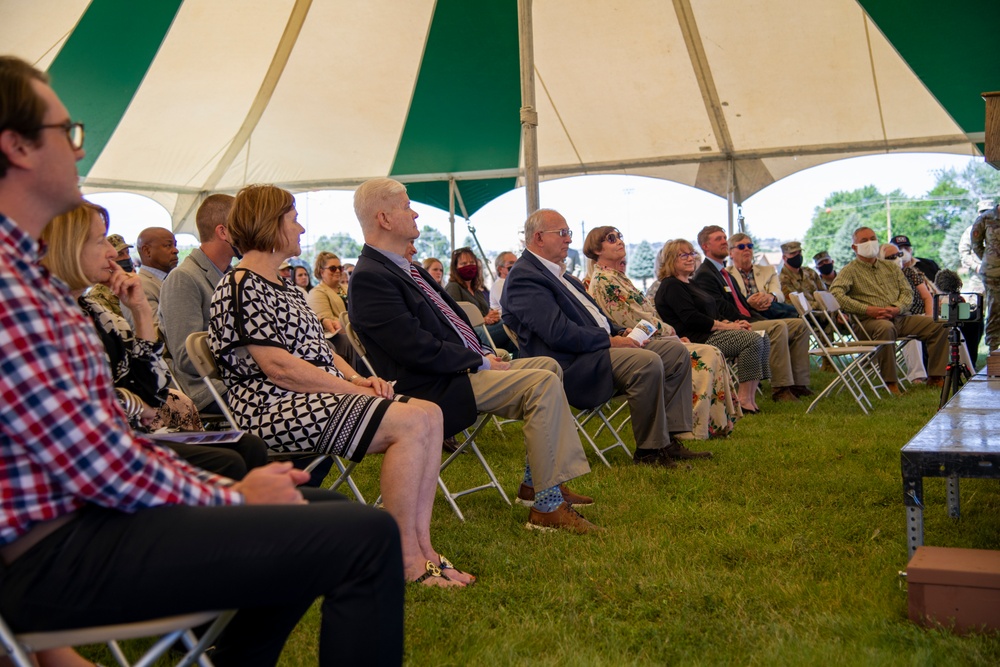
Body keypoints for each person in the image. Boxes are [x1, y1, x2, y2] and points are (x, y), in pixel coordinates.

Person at [0, 54, 403, 665]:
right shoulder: (13, 292)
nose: (79, 152)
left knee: (323, 508)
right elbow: (101, 466)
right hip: (52, 553)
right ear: (18, 147)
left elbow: (97, 448)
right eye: (68, 133)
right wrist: (236, 497)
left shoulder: (24, 278)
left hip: (71, 526)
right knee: (366, 534)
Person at [209, 183, 469, 587]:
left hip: (309, 396)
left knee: (430, 413)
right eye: (293, 219)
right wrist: (349, 390)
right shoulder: (240, 285)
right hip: (272, 408)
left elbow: (318, 349)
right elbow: (279, 368)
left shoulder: (284, 286)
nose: (300, 230)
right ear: (268, 223)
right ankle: (404, 559)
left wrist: (356, 377)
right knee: (410, 423)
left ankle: (423, 547)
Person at [349, 179, 596, 533]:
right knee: (541, 381)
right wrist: (477, 361)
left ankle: (536, 483)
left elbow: (450, 324)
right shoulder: (370, 277)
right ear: (385, 219)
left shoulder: (406, 268)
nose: (415, 212)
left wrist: (482, 354)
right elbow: (414, 348)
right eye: (406, 206)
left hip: (456, 370)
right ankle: (547, 506)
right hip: (431, 386)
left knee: (548, 365)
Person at [41, 200, 268, 479]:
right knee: (230, 461)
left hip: (129, 432)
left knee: (249, 446)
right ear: (68, 248)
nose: (114, 252)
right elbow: (78, 406)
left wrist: (140, 312)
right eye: (100, 241)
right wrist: (134, 403)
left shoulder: (97, 313)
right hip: (105, 449)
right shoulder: (46, 317)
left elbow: (154, 389)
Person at [503, 209, 706, 468]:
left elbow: (593, 315)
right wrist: (609, 340)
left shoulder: (560, 274)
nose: (569, 240)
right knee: (647, 361)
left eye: (569, 233)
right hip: (570, 363)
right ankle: (650, 451)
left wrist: (617, 332)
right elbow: (557, 332)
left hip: (596, 350)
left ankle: (670, 440)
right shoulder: (524, 277)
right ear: (539, 238)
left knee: (676, 353)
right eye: (563, 233)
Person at [584, 226, 741, 437]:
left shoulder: (617, 277)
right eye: (611, 239)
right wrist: (672, 335)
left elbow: (646, 315)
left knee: (710, 351)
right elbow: (637, 320)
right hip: (637, 347)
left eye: (620, 236)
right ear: (596, 250)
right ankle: (692, 428)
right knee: (707, 353)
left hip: (653, 339)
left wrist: (671, 335)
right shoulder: (604, 281)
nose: (619, 241)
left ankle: (714, 424)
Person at [694, 226, 811, 402]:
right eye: (718, 239)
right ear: (705, 246)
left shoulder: (724, 273)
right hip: (732, 325)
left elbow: (739, 303)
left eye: (725, 237)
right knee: (778, 326)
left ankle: (799, 383)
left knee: (800, 324)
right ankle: (781, 387)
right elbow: (719, 308)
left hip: (749, 317)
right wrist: (744, 318)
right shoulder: (705, 274)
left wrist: (756, 304)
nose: (724, 241)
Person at [654, 239, 769, 414]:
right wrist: (728, 328)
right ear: (670, 259)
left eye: (692, 253)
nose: (690, 258)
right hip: (697, 338)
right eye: (683, 255)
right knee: (752, 340)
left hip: (711, 332)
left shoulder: (691, 283)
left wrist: (734, 323)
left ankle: (751, 397)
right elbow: (692, 319)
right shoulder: (671, 285)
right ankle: (743, 399)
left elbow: (712, 312)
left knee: (761, 336)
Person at [828, 226, 948, 393]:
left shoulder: (891, 267)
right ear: (854, 248)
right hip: (868, 323)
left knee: (939, 324)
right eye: (864, 241)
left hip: (899, 317)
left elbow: (907, 292)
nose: (870, 243)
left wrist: (896, 308)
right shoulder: (849, 271)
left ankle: (935, 377)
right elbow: (836, 294)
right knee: (886, 327)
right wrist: (867, 309)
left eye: (872, 238)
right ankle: (890, 382)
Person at [159, 194, 237, 412]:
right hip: (209, 390)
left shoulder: (230, 276)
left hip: (233, 383)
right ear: (223, 232)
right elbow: (186, 357)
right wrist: (249, 359)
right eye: (241, 225)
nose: (249, 232)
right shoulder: (183, 278)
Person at [444, 246, 516, 353]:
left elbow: (486, 314)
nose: (469, 266)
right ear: (455, 267)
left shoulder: (476, 290)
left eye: (472, 262)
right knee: (511, 322)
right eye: (463, 264)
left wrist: (492, 316)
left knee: (517, 341)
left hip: (487, 329)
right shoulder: (453, 287)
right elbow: (455, 318)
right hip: (472, 335)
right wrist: (484, 319)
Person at [879, 242, 929, 383]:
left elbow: (927, 297)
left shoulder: (909, 272)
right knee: (911, 333)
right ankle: (917, 376)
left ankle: (965, 370)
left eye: (898, 255)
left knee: (949, 326)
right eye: (891, 257)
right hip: (900, 318)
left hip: (922, 315)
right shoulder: (881, 280)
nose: (897, 258)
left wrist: (930, 317)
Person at [728, 234, 796, 315]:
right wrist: (748, 303)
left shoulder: (768, 271)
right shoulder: (726, 274)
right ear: (730, 253)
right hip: (744, 313)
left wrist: (771, 296)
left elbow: (778, 293)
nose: (746, 249)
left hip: (769, 308)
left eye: (750, 246)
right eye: (741, 247)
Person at [134, 226, 178, 332]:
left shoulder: (171, 280)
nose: (176, 250)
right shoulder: (141, 287)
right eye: (168, 245)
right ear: (147, 251)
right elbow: (156, 334)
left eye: (175, 245)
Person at [971, 201, 1000, 353]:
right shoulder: (986, 218)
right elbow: (975, 243)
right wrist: (990, 261)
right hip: (993, 274)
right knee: (995, 309)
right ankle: (993, 349)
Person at [778, 240, 824, 309]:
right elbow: (797, 304)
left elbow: (825, 293)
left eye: (799, 252)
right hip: (808, 316)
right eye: (793, 253)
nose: (798, 256)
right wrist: (821, 305)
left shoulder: (810, 272)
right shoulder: (782, 280)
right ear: (784, 257)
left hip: (826, 312)